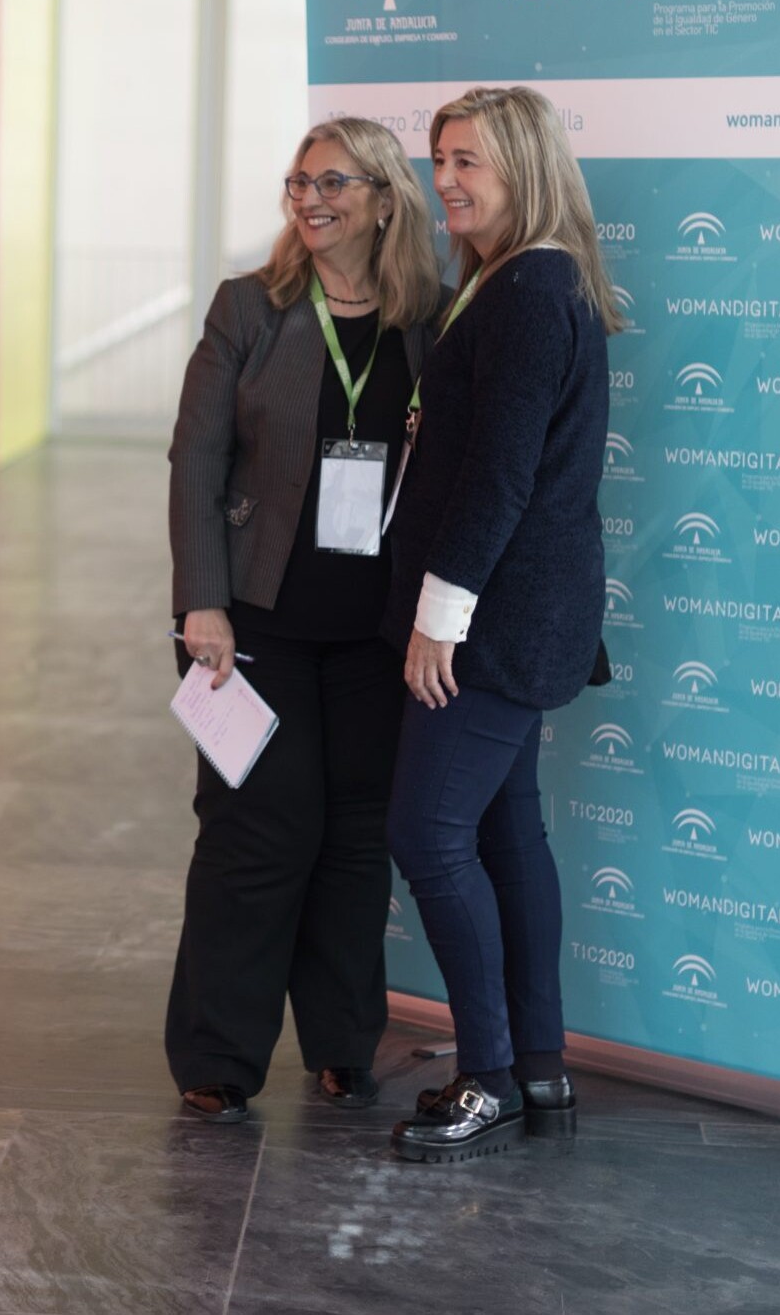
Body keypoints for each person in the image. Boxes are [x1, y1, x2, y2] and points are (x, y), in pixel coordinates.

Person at [164, 116, 446, 1123]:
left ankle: (340, 1044)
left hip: (378, 625)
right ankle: (217, 1055)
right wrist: (201, 597)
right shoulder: (252, 306)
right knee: (254, 831)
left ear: (382, 195)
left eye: (332, 181)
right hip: (256, 616)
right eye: (297, 181)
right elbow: (194, 456)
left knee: (355, 839)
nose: (310, 198)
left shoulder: (431, 316)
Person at [381, 85, 622, 1164]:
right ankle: (536, 1062)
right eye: (438, 160)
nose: (447, 183)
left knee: (427, 833)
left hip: (495, 624)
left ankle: (483, 1074)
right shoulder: (517, 280)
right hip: (518, 618)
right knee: (504, 828)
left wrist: (438, 617)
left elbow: (499, 475)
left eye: (468, 160)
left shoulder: (527, 288)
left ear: (523, 165)